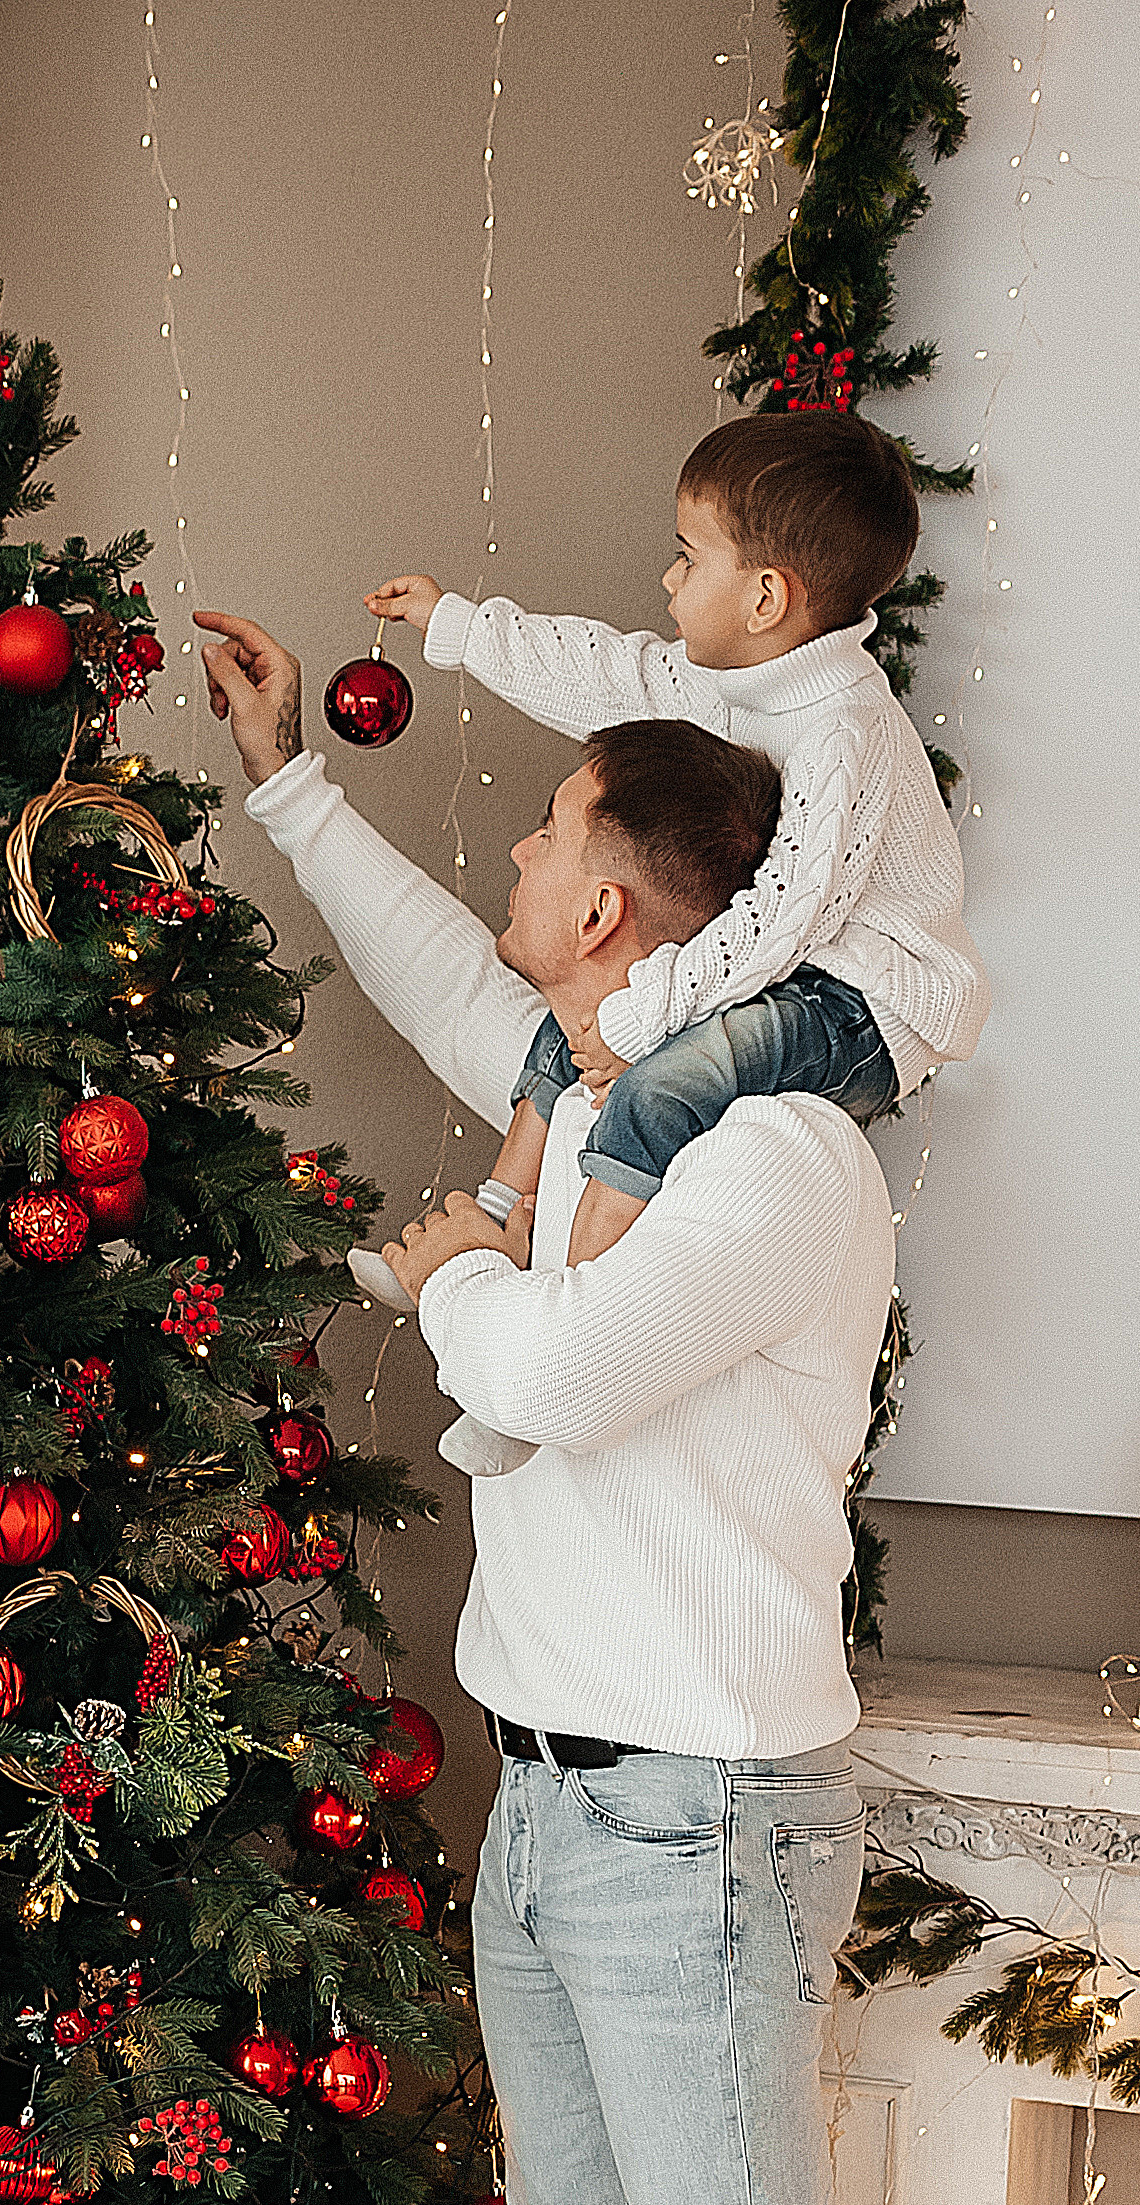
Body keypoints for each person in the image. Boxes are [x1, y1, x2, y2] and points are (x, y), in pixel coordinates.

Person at [197, 611, 934, 2205]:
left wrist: (440, 1278)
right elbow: (447, 984)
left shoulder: (782, 1150)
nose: (510, 848)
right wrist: (293, 778)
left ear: (619, 895)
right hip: (558, 1801)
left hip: (705, 1825)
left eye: (539, 826)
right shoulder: (607, 1094)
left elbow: (574, 1363)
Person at [364, 411, 985, 1476]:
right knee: (564, 1043)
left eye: (688, 556)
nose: (664, 579)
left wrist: (642, 1014)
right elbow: (606, 672)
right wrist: (457, 626)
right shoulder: (729, 678)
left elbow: (788, 918)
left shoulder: (843, 731)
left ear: (763, 597)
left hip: (863, 996)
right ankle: (500, 1218)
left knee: (657, 1083)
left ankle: (547, 1335)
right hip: (774, 961)